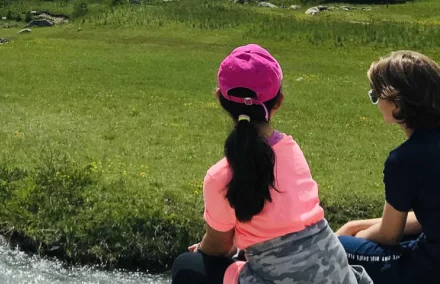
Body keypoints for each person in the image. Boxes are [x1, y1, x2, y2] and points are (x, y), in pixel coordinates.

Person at [172, 44, 370, 284]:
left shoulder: (219, 176)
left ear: (219, 99)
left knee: (187, 266)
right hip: (335, 273)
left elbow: (217, 246)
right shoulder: (292, 150)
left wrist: (205, 249)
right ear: (278, 102)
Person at [337, 50, 440, 284]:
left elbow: (389, 234)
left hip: (430, 268)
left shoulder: (405, 159)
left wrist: (353, 235)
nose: (375, 102)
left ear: (397, 103)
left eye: (375, 96)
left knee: (339, 247)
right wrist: (354, 224)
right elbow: (427, 217)